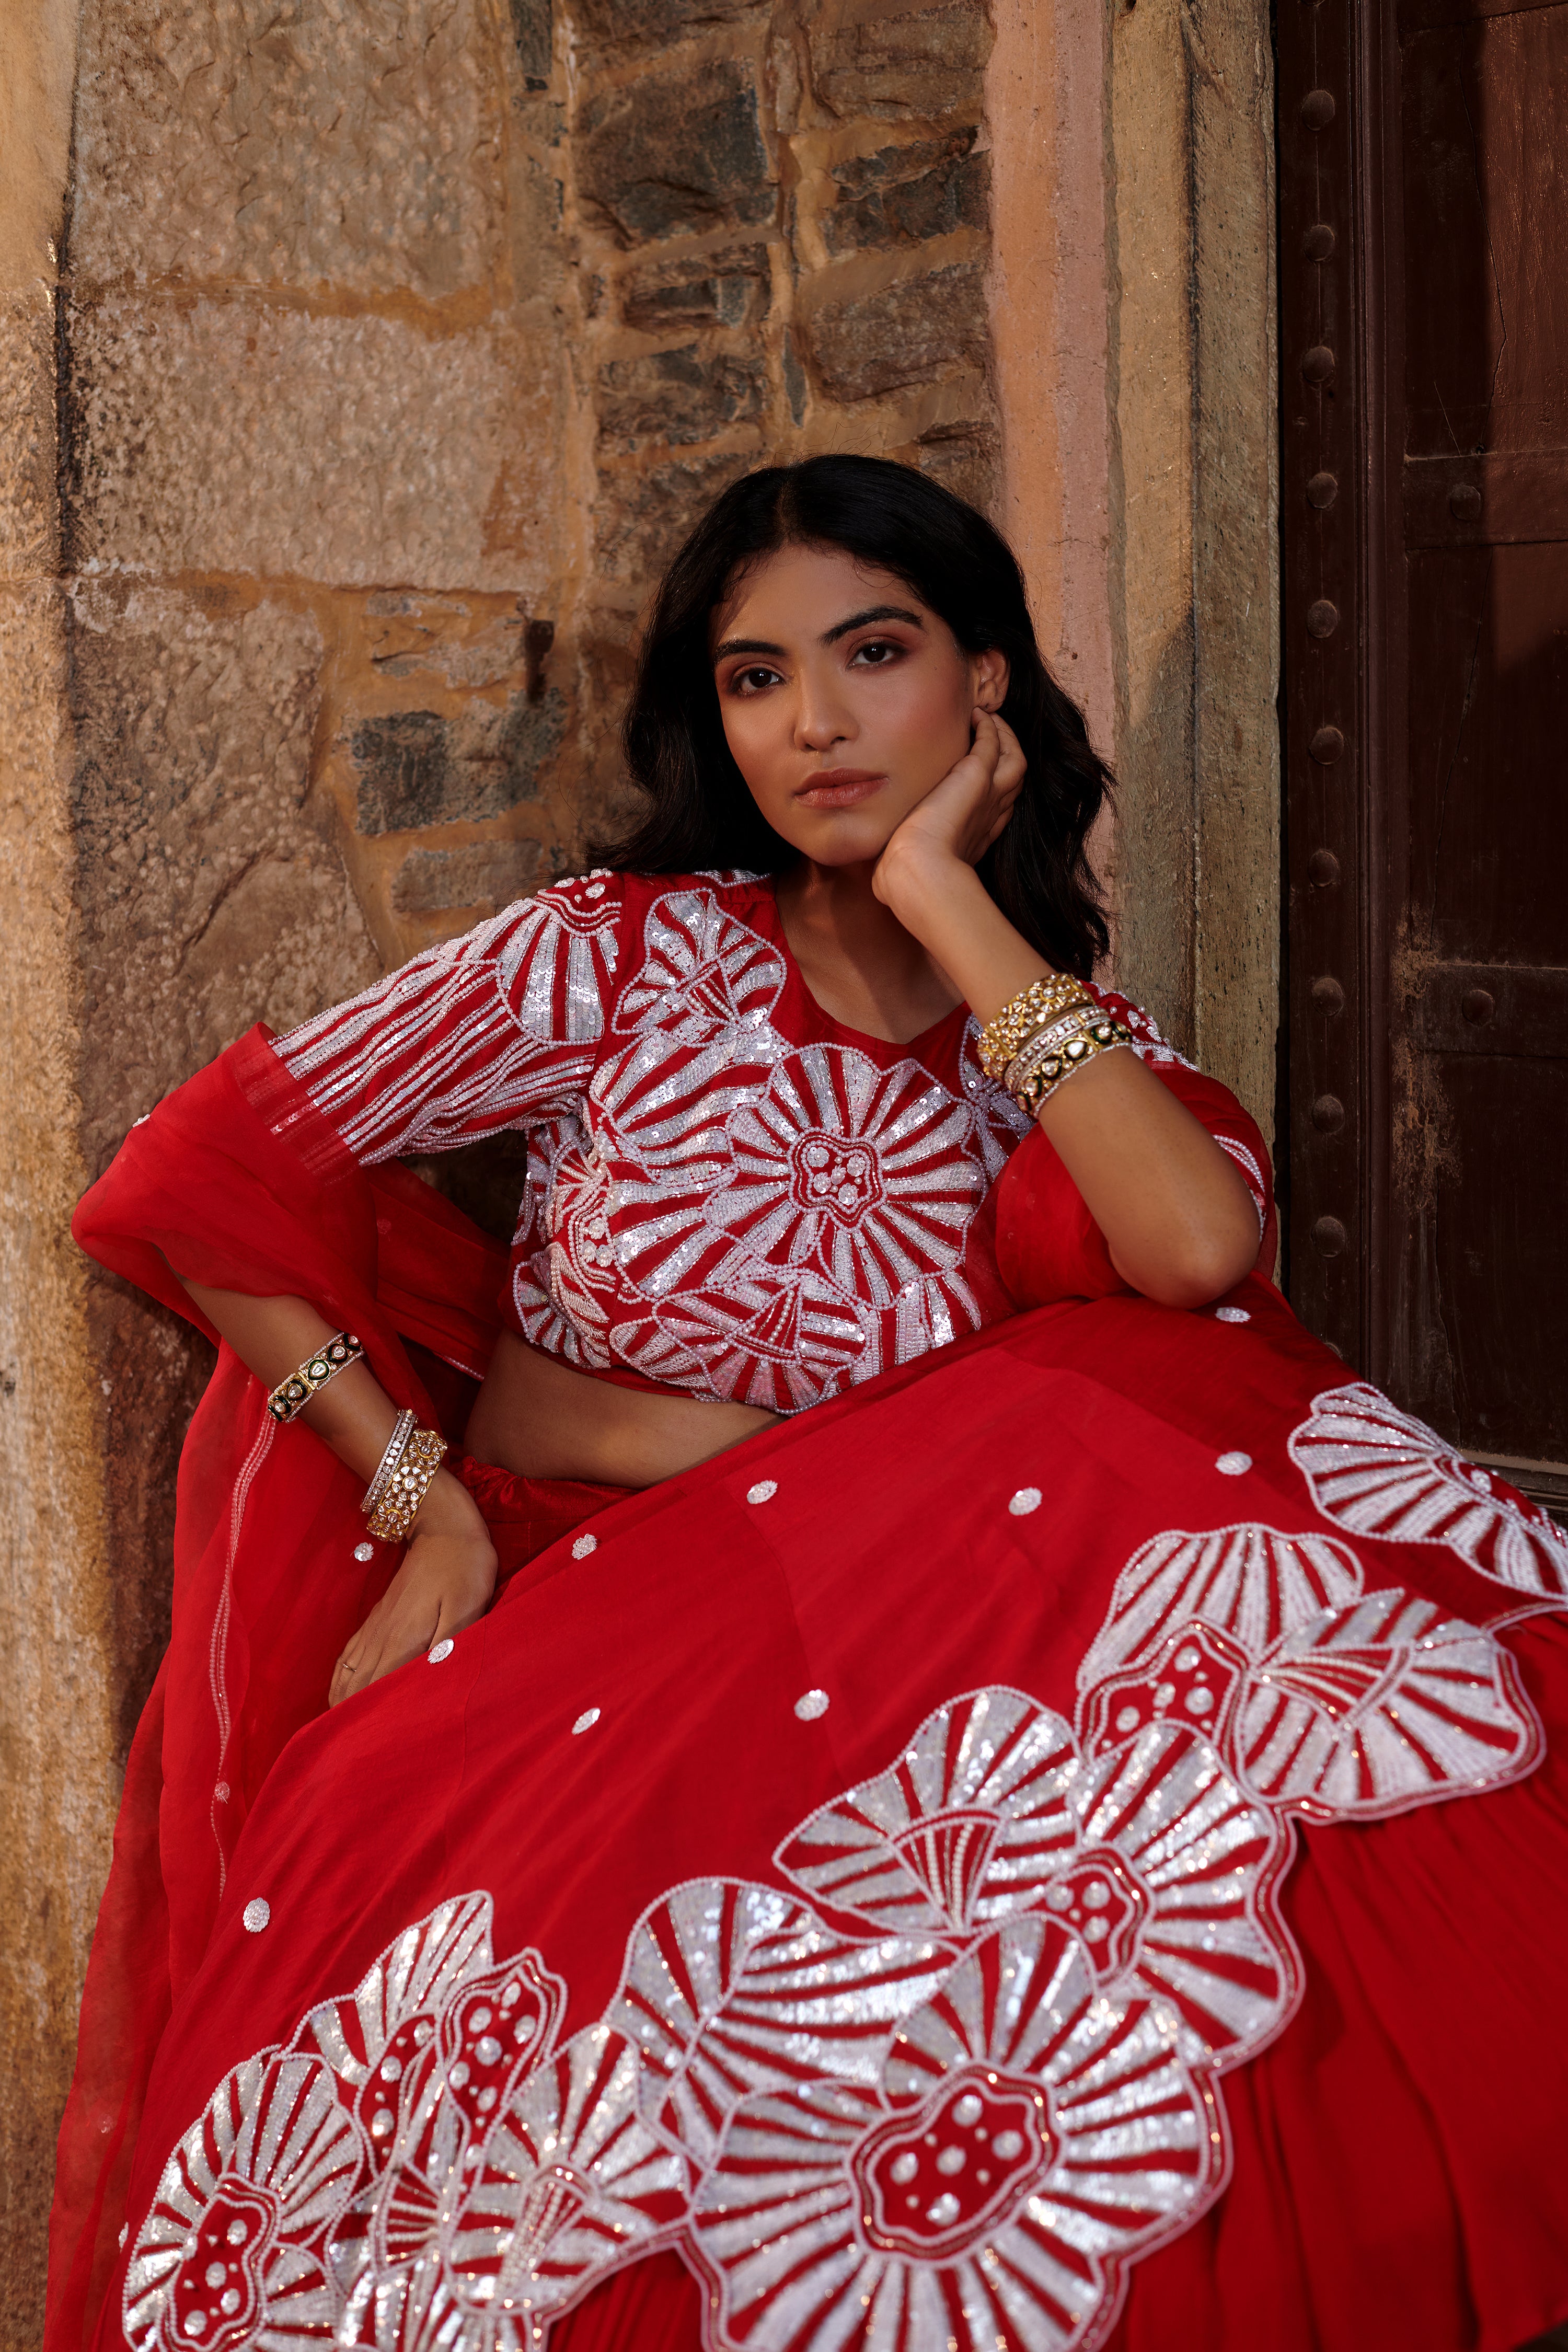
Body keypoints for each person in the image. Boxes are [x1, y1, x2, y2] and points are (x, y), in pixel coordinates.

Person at [48, 457, 1568, 2352]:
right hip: (606, 1627)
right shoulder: (615, 959)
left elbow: (1196, 1255)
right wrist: (420, 1489)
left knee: (1157, 1412)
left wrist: (945, 899)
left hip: (914, 1677)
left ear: (985, 684)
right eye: (757, 678)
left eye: (875, 653)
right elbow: (195, 1171)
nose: (816, 724)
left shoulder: (1047, 1046)